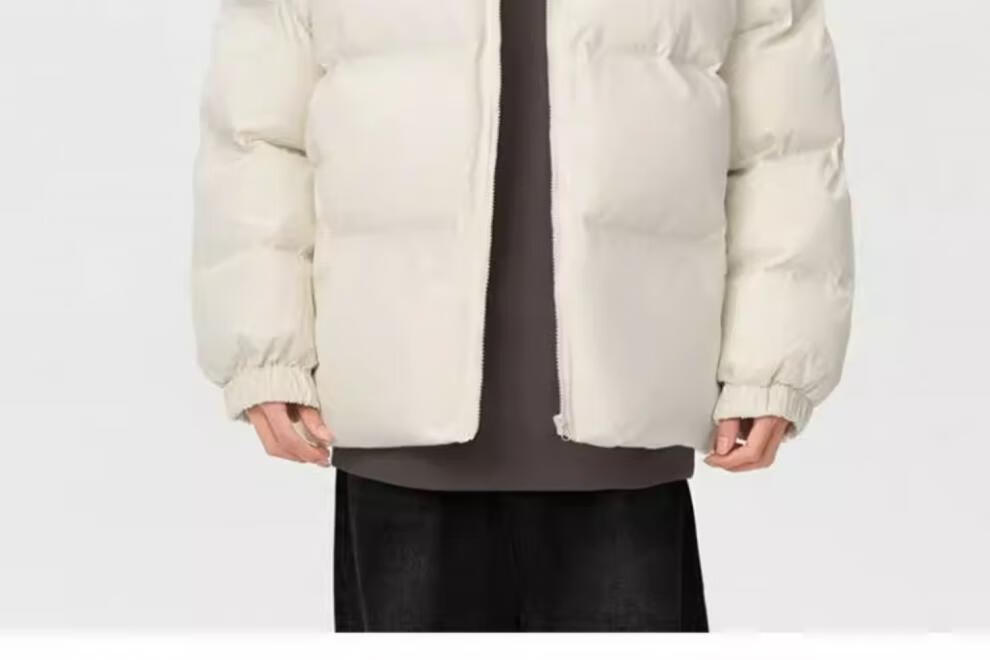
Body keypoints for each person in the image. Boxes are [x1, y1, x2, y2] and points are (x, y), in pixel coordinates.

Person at [192, 0, 853, 632]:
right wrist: (265, 348)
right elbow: (259, 133)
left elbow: (785, 141)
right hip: (399, 430)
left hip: (626, 430)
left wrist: (774, 359)